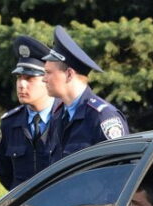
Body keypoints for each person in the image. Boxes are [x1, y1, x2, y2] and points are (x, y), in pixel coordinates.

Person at [42, 25, 129, 163]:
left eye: (48, 72)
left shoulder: (102, 117)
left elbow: (120, 171)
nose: (43, 78)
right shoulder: (58, 115)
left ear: (69, 74)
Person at [0, 36, 62, 190]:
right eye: (19, 78)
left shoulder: (66, 117)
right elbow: (5, 173)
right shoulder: (10, 122)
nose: (21, 85)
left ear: (46, 79)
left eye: (29, 78)